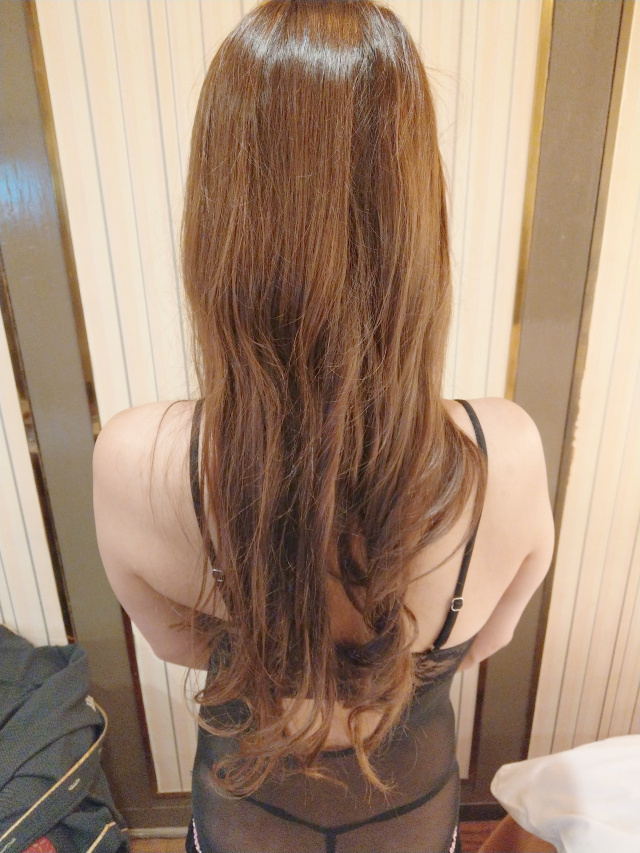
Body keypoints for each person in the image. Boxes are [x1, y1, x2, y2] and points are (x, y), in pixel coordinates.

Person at [93, 1, 555, 851]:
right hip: (414, 822)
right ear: (416, 220)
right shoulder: (508, 455)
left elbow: (176, 644)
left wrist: (276, 636)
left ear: (219, 222)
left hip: (242, 823)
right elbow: (486, 635)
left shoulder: (134, 459)